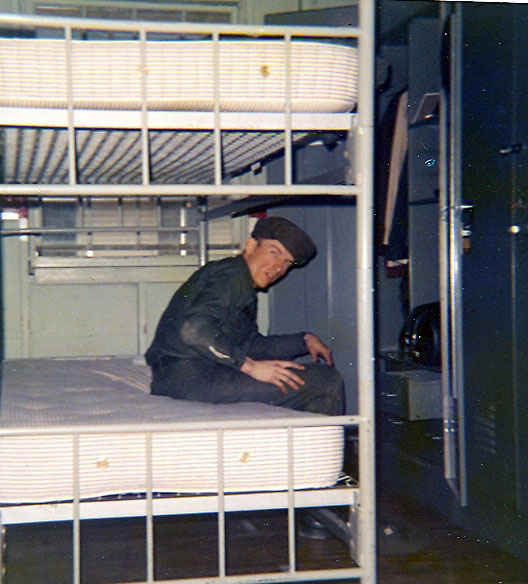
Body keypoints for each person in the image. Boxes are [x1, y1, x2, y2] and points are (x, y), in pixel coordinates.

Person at [145, 216, 344, 416]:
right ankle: (312, 446)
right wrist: (251, 367)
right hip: (190, 378)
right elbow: (194, 331)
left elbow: (248, 344)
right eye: (274, 253)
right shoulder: (232, 276)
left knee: (309, 376)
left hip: (191, 374)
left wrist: (303, 341)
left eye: (287, 263)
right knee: (325, 381)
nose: (278, 268)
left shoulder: (238, 279)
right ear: (250, 246)